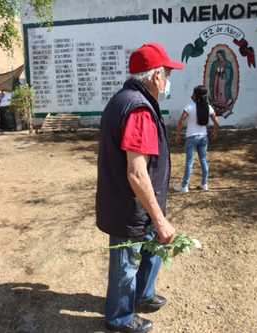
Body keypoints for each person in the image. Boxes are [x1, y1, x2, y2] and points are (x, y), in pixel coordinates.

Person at [96, 43, 184, 333]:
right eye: (168, 74)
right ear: (155, 76)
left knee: (150, 250)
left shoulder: (125, 99)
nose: (168, 80)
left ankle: (143, 295)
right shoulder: (138, 110)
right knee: (127, 263)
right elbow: (136, 173)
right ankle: (119, 318)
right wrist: (160, 220)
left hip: (137, 204)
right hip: (129, 207)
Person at [174, 85, 219, 193]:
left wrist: (178, 134)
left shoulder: (190, 106)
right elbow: (216, 122)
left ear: (196, 95)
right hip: (203, 137)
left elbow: (181, 121)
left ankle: (184, 186)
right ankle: (204, 184)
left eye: (193, 93)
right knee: (203, 160)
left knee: (189, 162)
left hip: (191, 137)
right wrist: (214, 132)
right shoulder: (208, 107)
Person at [208, 49, 234, 115]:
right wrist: (217, 71)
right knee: (216, 90)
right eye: (218, 55)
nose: (219, 57)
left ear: (223, 55)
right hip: (217, 79)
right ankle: (217, 103)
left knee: (222, 91)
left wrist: (224, 71)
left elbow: (229, 73)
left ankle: (224, 104)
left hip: (223, 80)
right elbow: (212, 72)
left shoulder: (228, 63)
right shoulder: (215, 63)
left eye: (220, 55)